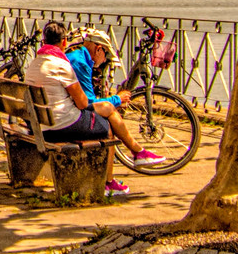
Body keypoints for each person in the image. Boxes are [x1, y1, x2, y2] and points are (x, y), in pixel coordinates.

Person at [24, 21, 147, 196]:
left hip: (40, 126)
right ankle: (107, 182)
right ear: (64, 42)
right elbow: (82, 103)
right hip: (60, 126)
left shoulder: (34, 64)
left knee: (104, 111)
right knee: (106, 126)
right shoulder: (62, 65)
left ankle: (137, 153)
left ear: (44, 42)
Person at [68, 28, 169, 167]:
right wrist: (117, 99)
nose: (105, 61)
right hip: (67, 119)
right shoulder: (81, 64)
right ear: (98, 49)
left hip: (56, 113)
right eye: (106, 56)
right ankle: (136, 154)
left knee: (108, 112)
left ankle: (137, 153)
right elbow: (89, 103)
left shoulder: (76, 57)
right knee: (107, 123)